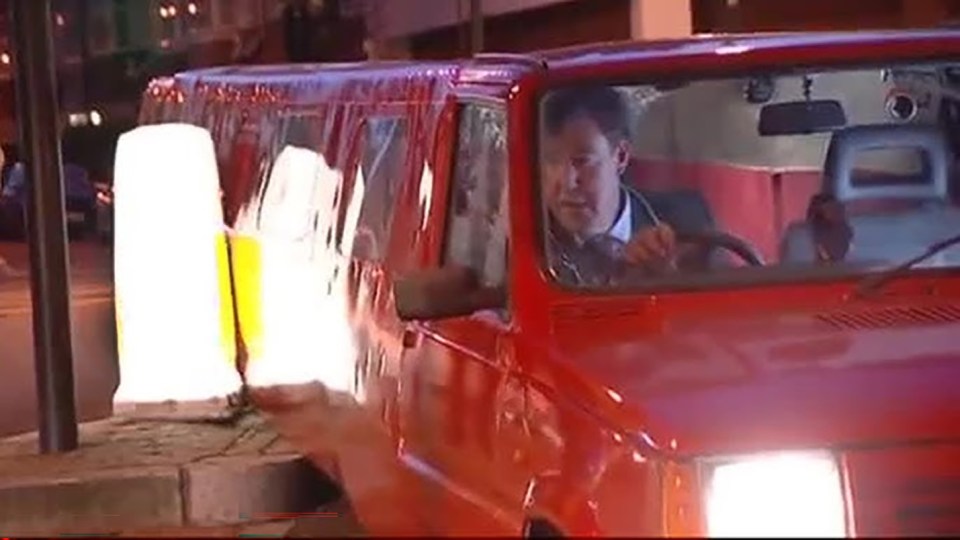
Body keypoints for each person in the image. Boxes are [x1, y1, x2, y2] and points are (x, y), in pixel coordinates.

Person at [540, 85, 716, 285]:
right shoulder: (524, 236)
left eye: (582, 161)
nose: (567, 181)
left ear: (621, 156)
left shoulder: (686, 221)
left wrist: (671, 280)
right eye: (551, 160)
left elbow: (723, 308)